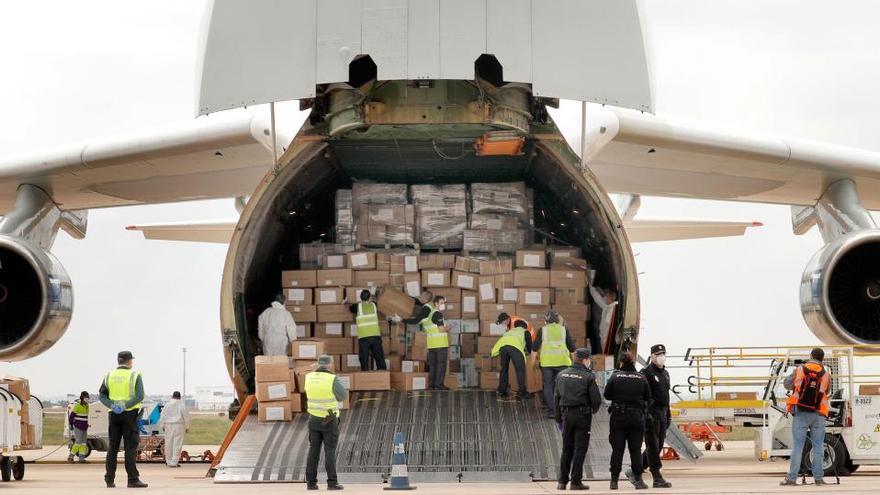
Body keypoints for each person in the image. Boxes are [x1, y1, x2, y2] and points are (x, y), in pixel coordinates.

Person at [780, 347, 831, 486]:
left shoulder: (800, 369)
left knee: (798, 446)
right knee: (818, 446)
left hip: (801, 411)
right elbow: (827, 391)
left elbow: (786, 384)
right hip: (818, 414)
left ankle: (791, 479)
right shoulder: (826, 374)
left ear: (811, 356)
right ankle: (819, 479)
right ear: (822, 359)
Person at [554, 348, 602, 491]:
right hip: (582, 416)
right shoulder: (589, 376)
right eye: (589, 360)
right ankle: (575, 482)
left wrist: (558, 419)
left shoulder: (561, 375)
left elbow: (556, 398)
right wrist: (592, 411)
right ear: (585, 360)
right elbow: (596, 400)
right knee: (580, 449)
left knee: (567, 448)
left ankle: (562, 482)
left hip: (566, 415)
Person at [99, 350, 147, 488]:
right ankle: (132, 479)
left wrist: (112, 405)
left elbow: (102, 395)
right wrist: (125, 405)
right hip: (129, 414)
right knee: (130, 447)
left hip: (113, 415)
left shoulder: (109, 375)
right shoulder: (134, 375)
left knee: (113, 447)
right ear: (130, 361)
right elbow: (139, 396)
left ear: (118, 361)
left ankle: (109, 479)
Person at [604, 352, 651, 490]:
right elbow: (648, 397)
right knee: (635, 450)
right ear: (633, 363)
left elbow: (607, 394)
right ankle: (638, 480)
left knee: (617, 450)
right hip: (636, 418)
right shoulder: (641, 378)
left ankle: (614, 481)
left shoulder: (615, 377)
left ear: (621, 363)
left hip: (618, 417)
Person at [632, 343, 673, 488]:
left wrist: (668, 414)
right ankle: (657, 476)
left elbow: (665, 395)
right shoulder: (646, 373)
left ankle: (634, 470)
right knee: (653, 445)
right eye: (658, 355)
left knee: (659, 445)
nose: (661, 357)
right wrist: (645, 413)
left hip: (662, 413)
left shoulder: (665, 373)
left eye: (663, 354)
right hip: (651, 413)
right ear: (652, 357)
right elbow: (641, 395)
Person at [304, 355, 348, 491]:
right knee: (330, 451)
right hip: (329, 420)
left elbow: (307, 392)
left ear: (317, 364)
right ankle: (332, 482)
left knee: (313, 451)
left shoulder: (308, 377)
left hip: (313, 419)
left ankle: (311, 483)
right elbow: (342, 396)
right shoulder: (332, 379)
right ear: (330, 364)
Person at [533, 310, 576, 418]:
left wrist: (532, 363)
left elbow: (534, 349)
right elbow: (572, 348)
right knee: (563, 387)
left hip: (547, 364)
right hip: (563, 363)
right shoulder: (563, 330)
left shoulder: (542, 330)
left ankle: (552, 411)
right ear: (557, 320)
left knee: (548, 386)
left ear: (546, 320)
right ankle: (563, 410)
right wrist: (575, 364)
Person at [401, 295, 449, 390]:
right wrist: (449, 327)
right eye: (441, 303)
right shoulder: (438, 315)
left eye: (444, 303)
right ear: (435, 304)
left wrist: (402, 320)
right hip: (440, 344)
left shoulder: (427, 318)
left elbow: (416, 320)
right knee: (441, 365)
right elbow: (441, 329)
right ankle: (439, 385)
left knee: (433, 366)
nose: (443, 305)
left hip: (431, 345)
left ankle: (431, 385)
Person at [491, 312, 533, 400]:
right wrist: (530, 355)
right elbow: (530, 348)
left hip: (503, 347)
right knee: (520, 370)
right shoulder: (525, 332)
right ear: (524, 327)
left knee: (504, 369)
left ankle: (502, 390)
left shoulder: (510, 331)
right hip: (514, 348)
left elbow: (506, 340)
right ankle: (522, 393)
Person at [349, 290, 387, 371]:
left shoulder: (357, 306)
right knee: (379, 357)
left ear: (360, 297)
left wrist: (346, 302)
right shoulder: (374, 305)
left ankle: (365, 375)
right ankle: (383, 375)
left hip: (364, 337)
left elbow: (350, 308)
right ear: (369, 297)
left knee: (364, 358)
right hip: (375, 336)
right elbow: (377, 301)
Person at [257, 292, 297, 356]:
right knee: (280, 361)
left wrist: (262, 337)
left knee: (268, 361)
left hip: (268, 339)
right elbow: (291, 328)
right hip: (280, 340)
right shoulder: (286, 313)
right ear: (284, 302)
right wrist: (293, 341)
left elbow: (260, 325)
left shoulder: (266, 311)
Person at [159, 391, 190, 468]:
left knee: (168, 443)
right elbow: (186, 416)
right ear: (179, 397)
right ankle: (174, 462)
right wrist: (187, 427)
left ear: (172, 396)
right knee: (177, 444)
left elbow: (162, 415)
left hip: (168, 425)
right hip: (179, 425)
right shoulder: (182, 405)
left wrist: (162, 425)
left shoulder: (167, 405)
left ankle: (168, 461)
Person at [589, 279, 618, 355]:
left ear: (611, 298)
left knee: (607, 354)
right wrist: (590, 287)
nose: (604, 298)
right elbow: (597, 298)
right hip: (603, 336)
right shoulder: (606, 306)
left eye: (606, 297)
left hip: (608, 338)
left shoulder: (614, 309)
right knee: (604, 354)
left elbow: (609, 324)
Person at [68, 391, 90, 463]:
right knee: (78, 442)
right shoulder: (77, 405)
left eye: (87, 398)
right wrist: (71, 425)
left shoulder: (87, 406)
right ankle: (70, 457)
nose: (87, 399)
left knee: (84, 443)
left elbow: (85, 417)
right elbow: (71, 416)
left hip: (84, 427)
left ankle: (81, 459)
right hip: (78, 426)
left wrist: (87, 424)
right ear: (82, 398)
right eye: (86, 398)